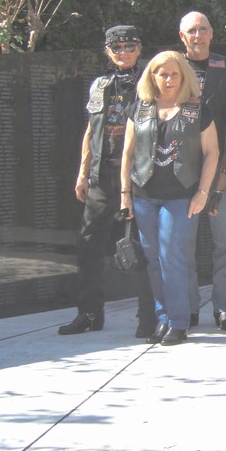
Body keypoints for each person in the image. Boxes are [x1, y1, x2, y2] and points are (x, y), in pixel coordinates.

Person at [59, 26, 156, 338]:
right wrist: (83, 171)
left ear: (139, 48)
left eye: (129, 46)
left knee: (143, 246)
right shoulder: (100, 85)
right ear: (108, 52)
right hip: (102, 176)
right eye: (117, 48)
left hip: (139, 176)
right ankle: (89, 314)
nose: (123, 52)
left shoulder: (151, 80)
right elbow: (91, 129)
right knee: (89, 245)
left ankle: (148, 317)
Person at [121, 51, 220, 346]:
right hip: (144, 195)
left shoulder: (197, 109)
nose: (169, 79)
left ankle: (179, 322)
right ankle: (163, 318)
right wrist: (125, 194)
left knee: (172, 256)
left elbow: (212, 152)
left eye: (174, 74)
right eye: (162, 74)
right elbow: (127, 153)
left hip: (181, 196)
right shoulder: (139, 109)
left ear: (183, 76)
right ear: (152, 77)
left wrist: (203, 192)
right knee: (154, 259)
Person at [179, 11, 226, 330]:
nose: (198, 35)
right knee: (182, 243)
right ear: (182, 36)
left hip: (221, 169)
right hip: (180, 171)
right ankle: (187, 307)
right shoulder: (172, 66)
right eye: (192, 30)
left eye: (203, 29)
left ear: (212, 33)